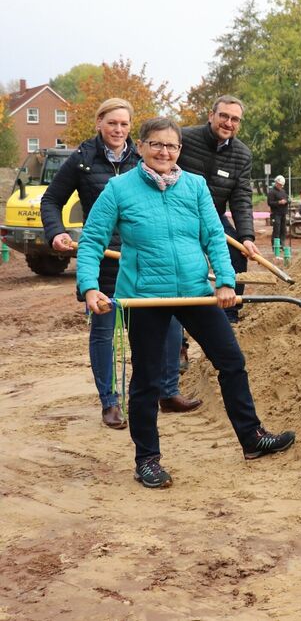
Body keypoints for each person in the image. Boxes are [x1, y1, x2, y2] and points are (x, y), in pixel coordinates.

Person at [75, 117, 296, 489]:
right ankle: (147, 459)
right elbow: (93, 240)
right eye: (157, 145)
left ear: (180, 150)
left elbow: (214, 236)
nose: (165, 152)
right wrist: (90, 288)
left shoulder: (194, 186)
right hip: (144, 296)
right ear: (141, 146)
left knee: (231, 361)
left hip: (194, 290)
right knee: (147, 379)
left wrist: (225, 281)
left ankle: (252, 438)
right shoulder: (119, 189)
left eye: (172, 146)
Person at [41, 98, 199, 429]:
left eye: (125, 124)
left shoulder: (143, 158)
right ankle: (110, 403)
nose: (118, 130)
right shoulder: (82, 160)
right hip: (103, 260)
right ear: (99, 123)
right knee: (105, 332)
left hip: (143, 261)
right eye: (112, 123)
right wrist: (55, 232)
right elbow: (52, 199)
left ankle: (168, 392)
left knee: (169, 326)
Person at [177, 95, 258, 323]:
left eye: (235, 119)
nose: (228, 123)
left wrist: (246, 236)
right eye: (223, 116)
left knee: (236, 254)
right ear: (211, 115)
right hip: (178, 214)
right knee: (181, 264)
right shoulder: (184, 138)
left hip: (213, 216)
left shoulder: (242, 154)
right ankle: (178, 339)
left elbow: (241, 197)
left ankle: (229, 317)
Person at [267, 175, 289, 250]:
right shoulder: (272, 192)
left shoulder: (283, 191)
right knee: (276, 230)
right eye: (279, 184)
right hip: (276, 214)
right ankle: (275, 246)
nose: (280, 186)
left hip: (283, 213)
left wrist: (287, 201)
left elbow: (287, 199)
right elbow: (270, 203)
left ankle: (282, 245)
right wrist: (279, 202)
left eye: (281, 185)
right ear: (276, 183)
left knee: (283, 230)